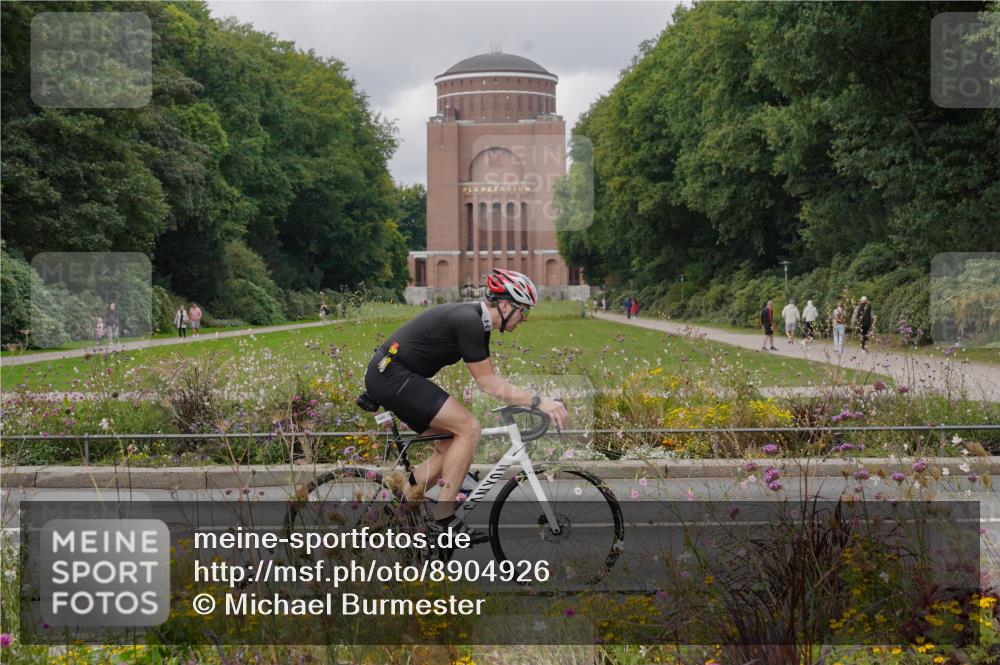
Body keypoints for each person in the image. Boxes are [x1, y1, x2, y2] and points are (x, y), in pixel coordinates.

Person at [362, 268, 568, 541]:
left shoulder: (478, 323)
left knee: (448, 447)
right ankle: (444, 519)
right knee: (469, 428)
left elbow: (488, 379)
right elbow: (488, 383)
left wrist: (532, 400)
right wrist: (538, 402)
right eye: (523, 311)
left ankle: (393, 508)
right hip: (392, 375)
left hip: (391, 375)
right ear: (506, 305)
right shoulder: (469, 320)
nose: (524, 319)